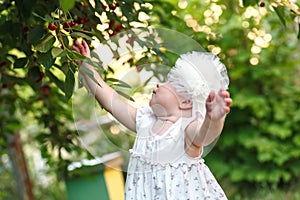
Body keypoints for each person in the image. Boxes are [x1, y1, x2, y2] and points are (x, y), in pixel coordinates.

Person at [73, 39, 232, 200]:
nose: (158, 84)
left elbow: (204, 135)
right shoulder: (144, 120)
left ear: (185, 102)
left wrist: (214, 118)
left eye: (168, 84)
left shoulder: (185, 129)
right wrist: (87, 67)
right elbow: (110, 102)